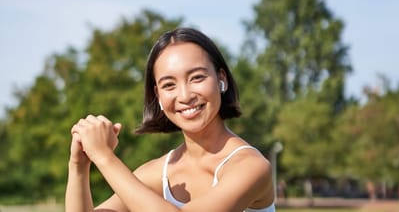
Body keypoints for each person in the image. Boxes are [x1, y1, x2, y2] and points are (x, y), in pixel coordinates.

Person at [66, 27, 275, 212]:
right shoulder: (155, 173)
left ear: (222, 79)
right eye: (169, 85)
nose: (184, 96)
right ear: (158, 96)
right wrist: (79, 166)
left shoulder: (251, 166)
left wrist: (105, 157)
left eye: (197, 77)